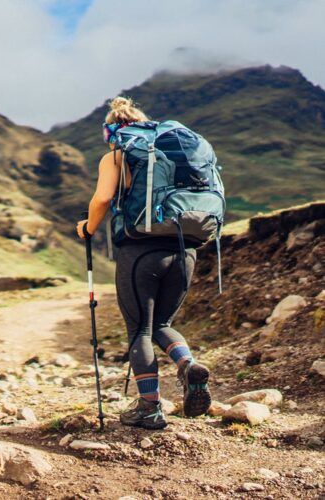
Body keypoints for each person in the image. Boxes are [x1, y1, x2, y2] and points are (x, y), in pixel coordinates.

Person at [76, 97, 211, 430]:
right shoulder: (176, 152)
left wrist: (87, 228)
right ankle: (188, 366)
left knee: (140, 330)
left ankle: (149, 408)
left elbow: (104, 198)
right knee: (163, 323)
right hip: (185, 249)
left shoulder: (117, 154)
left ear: (112, 130)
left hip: (141, 250)